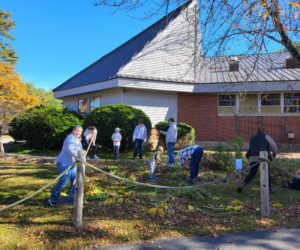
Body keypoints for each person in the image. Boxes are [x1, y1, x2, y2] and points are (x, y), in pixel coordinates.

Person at [49, 125, 83, 207]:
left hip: (73, 164)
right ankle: (53, 199)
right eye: (76, 130)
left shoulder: (78, 140)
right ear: (73, 130)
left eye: (80, 131)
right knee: (64, 181)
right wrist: (79, 157)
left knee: (75, 181)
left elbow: (81, 150)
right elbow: (69, 149)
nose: (78, 132)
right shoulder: (70, 138)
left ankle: (72, 199)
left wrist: (85, 157)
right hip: (64, 163)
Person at [237, 127, 277, 193]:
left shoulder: (252, 138)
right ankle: (269, 189)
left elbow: (249, 148)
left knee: (251, 173)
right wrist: (274, 154)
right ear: (264, 131)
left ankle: (242, 185)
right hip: (263, 158)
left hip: (252, 157)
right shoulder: (266, 136)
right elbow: (274, 146)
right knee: (266, 174)